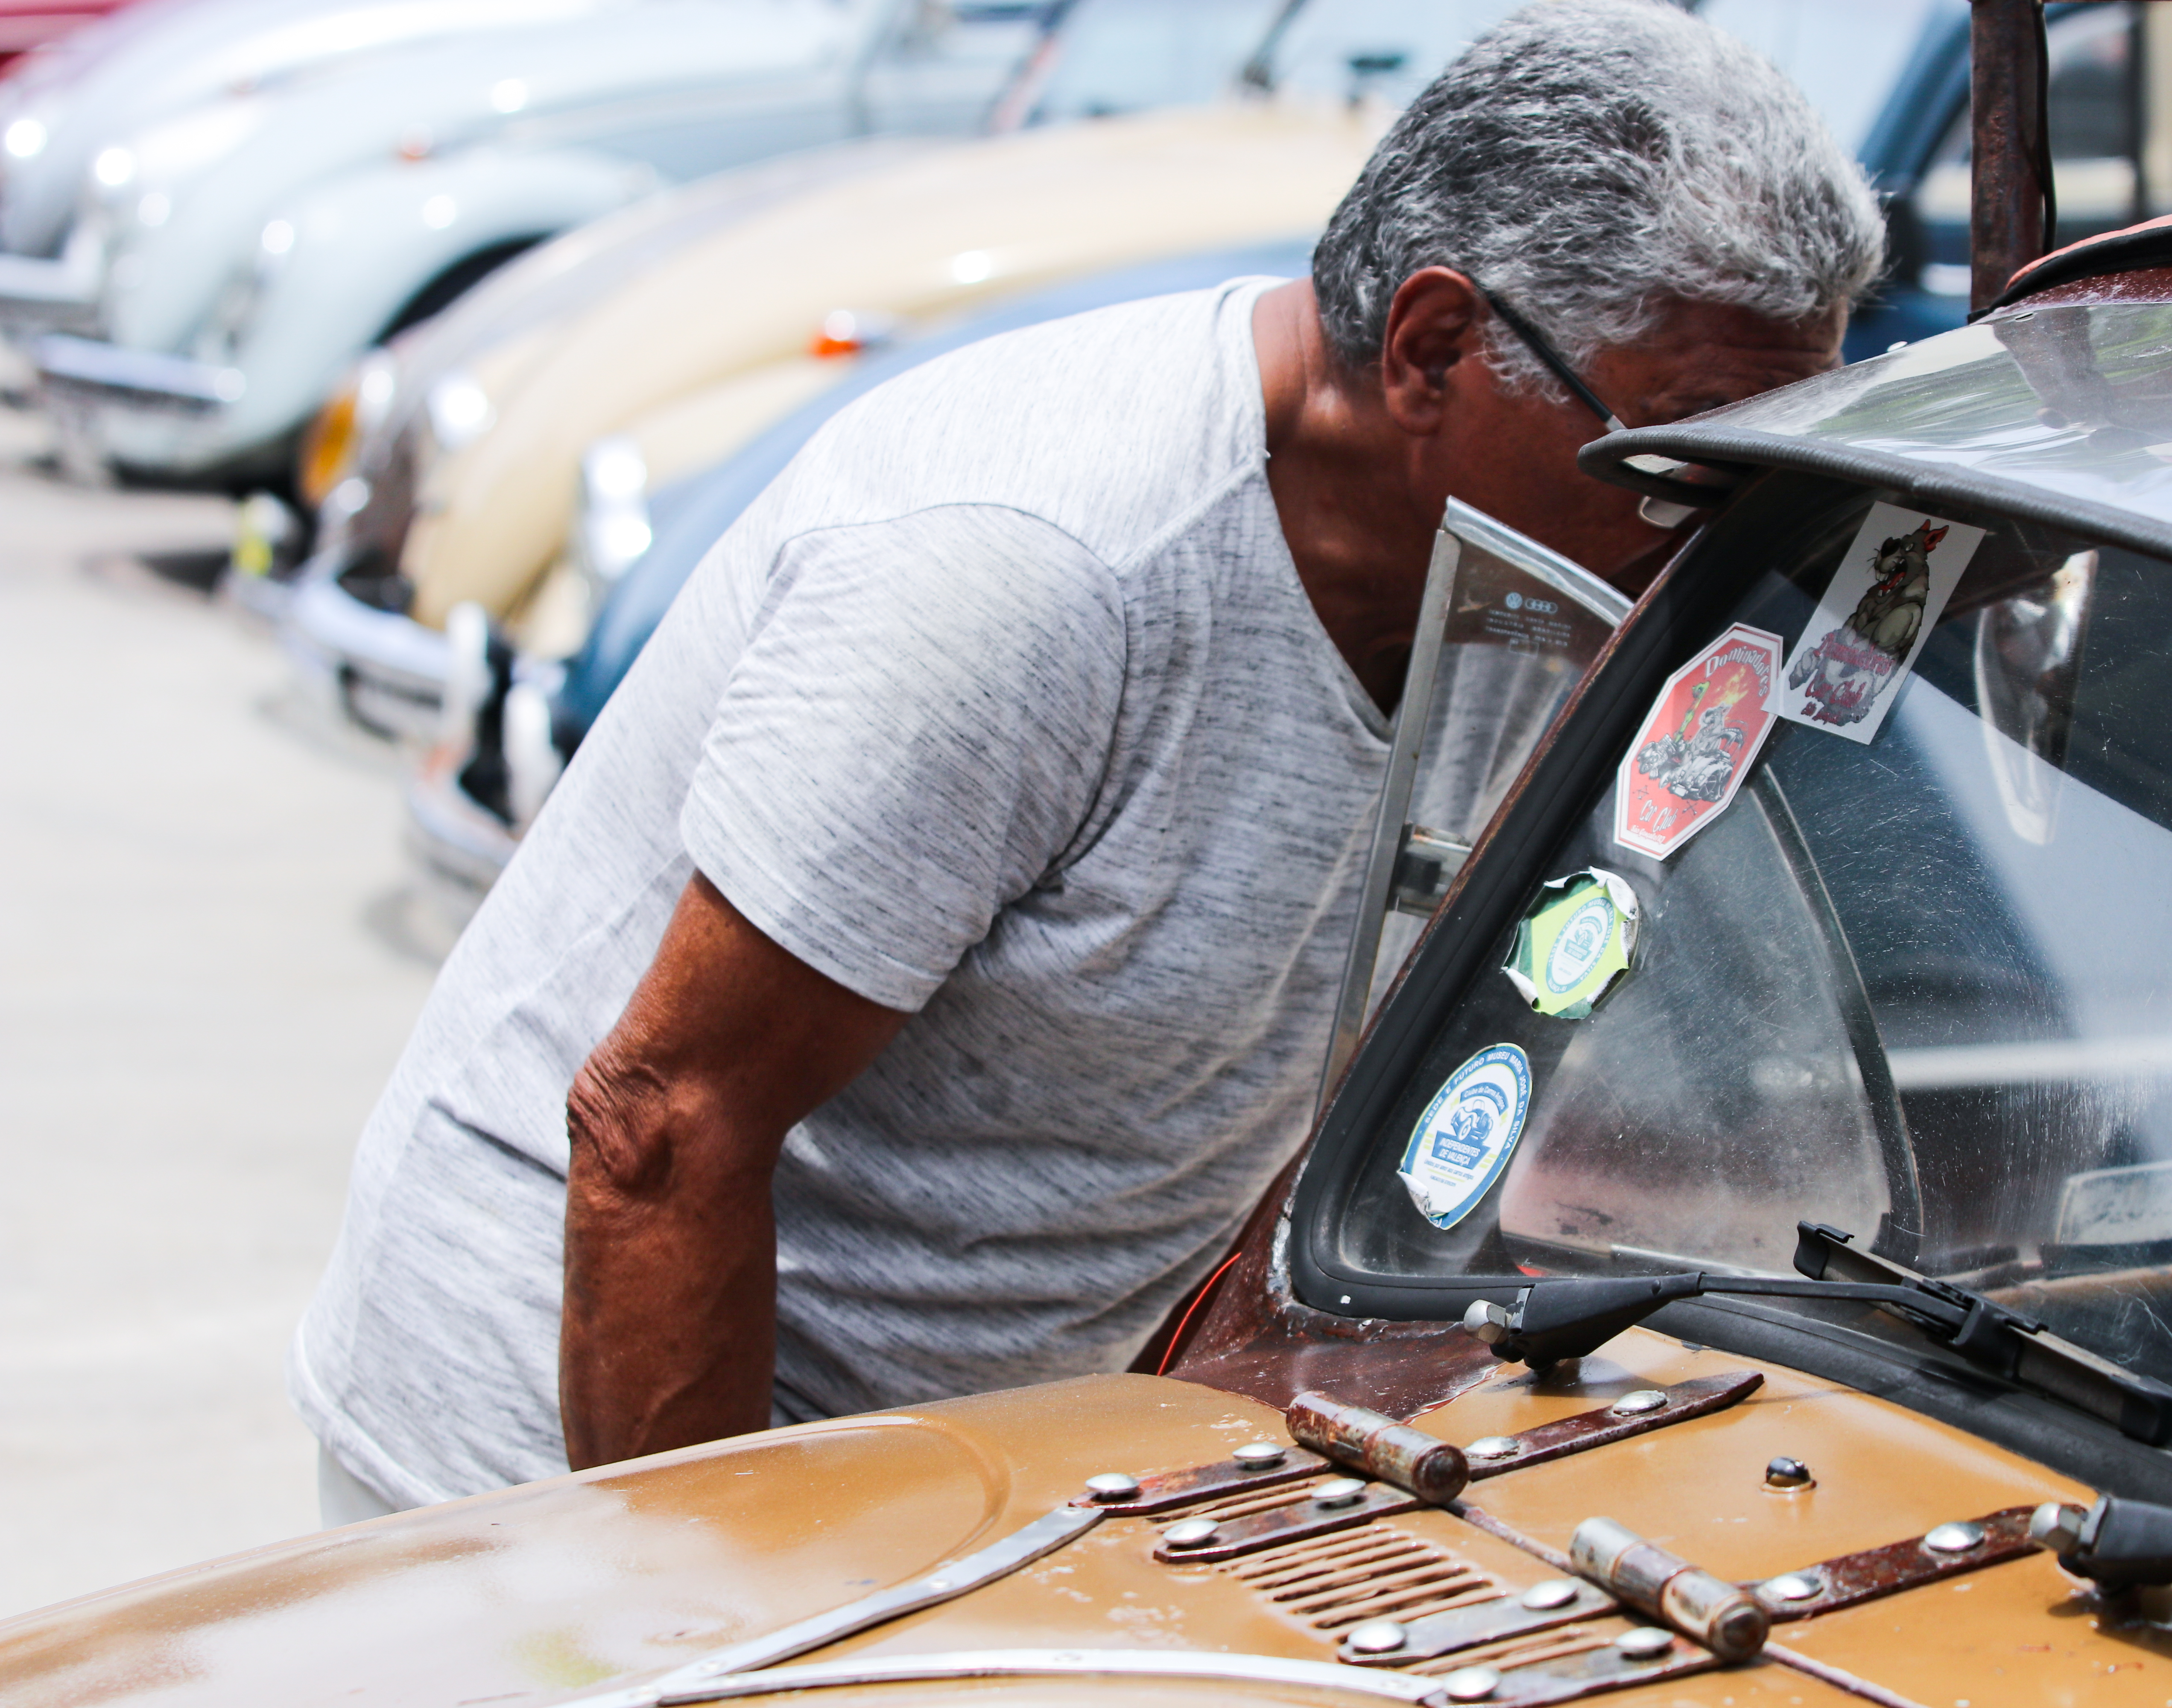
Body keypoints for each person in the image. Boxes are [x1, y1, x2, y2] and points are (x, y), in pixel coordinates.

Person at [290, 0, 1883, 1518]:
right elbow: (663, 1127)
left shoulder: (1533, 574)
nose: (1717, 527)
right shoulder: (1042, 567)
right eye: (1681, 457)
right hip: (574, 1444)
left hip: (970, 1452)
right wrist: (704, 1615)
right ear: (1434, 347)